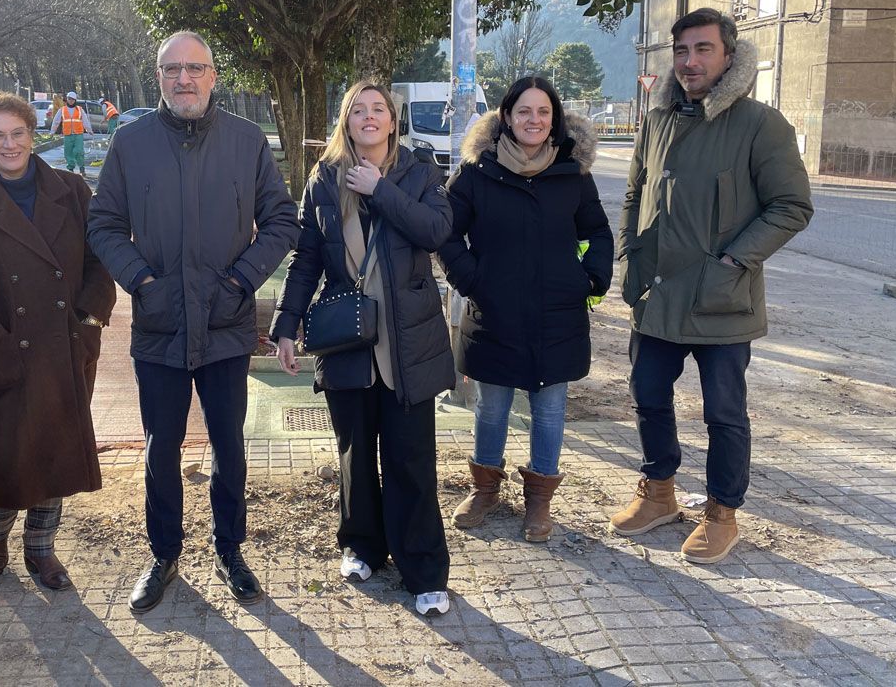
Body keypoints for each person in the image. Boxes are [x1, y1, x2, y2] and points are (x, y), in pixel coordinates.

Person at [87, 31, 299, 613]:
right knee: (162, 449)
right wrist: (143, 284)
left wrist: (240, 281)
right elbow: (102, 224)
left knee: (230, 446)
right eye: (172, 69)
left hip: (227, 323)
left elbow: (282, 220)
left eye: (196, 68)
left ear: (213, 75)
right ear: (159, 77)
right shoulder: (130, 145)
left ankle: (231, 549)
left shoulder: (247, 140)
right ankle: (164, 554)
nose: (184, 79)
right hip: (160, 325)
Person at [611, 8, 813, 563]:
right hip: (656, 294)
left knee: (724, 412)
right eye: (681, 51)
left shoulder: (759, 124)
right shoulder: (655, 120)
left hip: (722, 299)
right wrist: (629, 257)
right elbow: (635, 196)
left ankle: (722, 512)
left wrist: (733, 260)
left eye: (702, 49)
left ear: (728, 56)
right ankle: (658, 494)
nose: (690, 61)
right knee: (648, 396)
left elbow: (792, 206)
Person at [271, 81, 455, 617]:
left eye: (379, 110)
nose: (369, 118)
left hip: (408, 343)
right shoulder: (323, 180)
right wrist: (287, 324)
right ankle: (362, 545)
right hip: (347, 340)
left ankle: (423, 569)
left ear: (393, 122)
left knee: (411, 459)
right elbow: (306, 259)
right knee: (355, 455)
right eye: (358, 111)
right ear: (345, 123)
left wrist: (380, 189)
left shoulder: (419, 173)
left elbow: (436, 231)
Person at [0, 92, 117, 591]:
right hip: (2, 351)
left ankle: (41, 550)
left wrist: (89, 320)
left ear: (33, 132)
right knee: (7, 458)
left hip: (65, 348)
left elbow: (100, 256)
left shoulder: (70, 189)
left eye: (18, 133)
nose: (9, 144)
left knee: (57, 454)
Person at [438, 77, 612, 541]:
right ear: (506, 117)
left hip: (558, 312)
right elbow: (447, 234)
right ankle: (486, 491)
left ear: (554, 119)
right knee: (491, 408)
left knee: (549, 408)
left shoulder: (573, 173)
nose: (534, 121)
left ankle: (539, 501)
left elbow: (598, 232)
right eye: (524, 112)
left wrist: (590, 279)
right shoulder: (477, 171)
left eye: (543, 113)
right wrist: (472, 280)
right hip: (493, 310)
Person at [51, 91, 93, 172]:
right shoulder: (62, 110)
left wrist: (89, 130)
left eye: (72, 99)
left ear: (75, 100)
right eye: (69, 99)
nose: (71, 101)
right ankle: (71, 168)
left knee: (79, 151)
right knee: (68, 152)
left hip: (78, 134)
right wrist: (52, 131)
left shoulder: (80, 110)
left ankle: (81, 166)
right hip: (67, 134)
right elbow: (56, 121)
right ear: (67, 99)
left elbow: (85, 120)